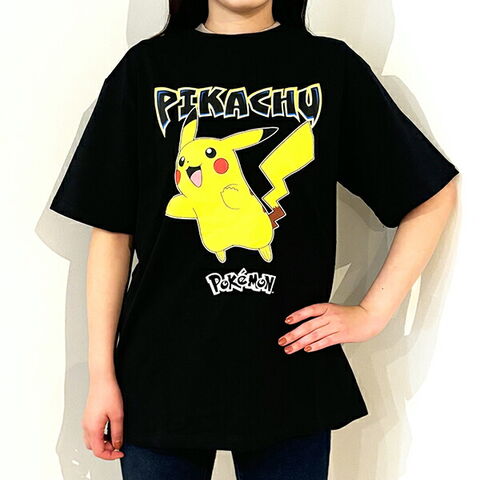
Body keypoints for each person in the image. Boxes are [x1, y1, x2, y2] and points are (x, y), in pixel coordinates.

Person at [49, 0, 460, 478]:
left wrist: (372, 313)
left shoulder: (329, 68)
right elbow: (111, 232)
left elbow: (431, 192)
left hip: (288, 371)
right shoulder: (145, 70)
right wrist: (101, 376)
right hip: (160, 373)